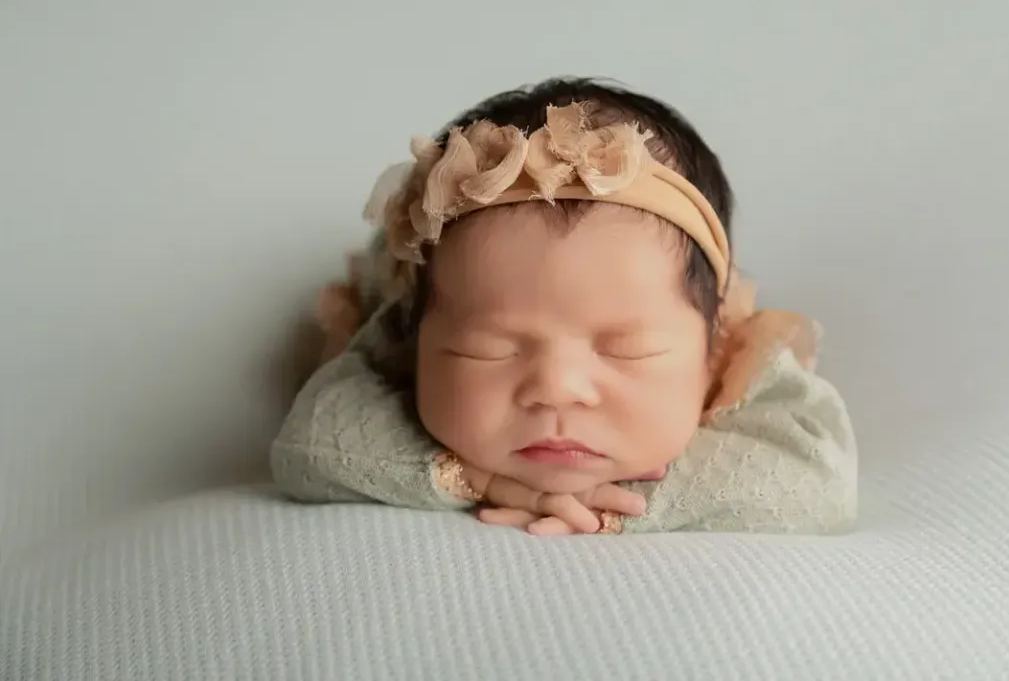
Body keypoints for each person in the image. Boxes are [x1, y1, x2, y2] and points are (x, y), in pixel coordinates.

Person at [270, 77, 858, 536]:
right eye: (488, 349)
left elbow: (820, 479)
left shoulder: (737, 354)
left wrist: (623, 504)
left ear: (713, 344)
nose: (556, 389)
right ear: (419, 341)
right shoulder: (399, 331)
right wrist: (476, 479)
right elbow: (309, 445)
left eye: (628, 349)